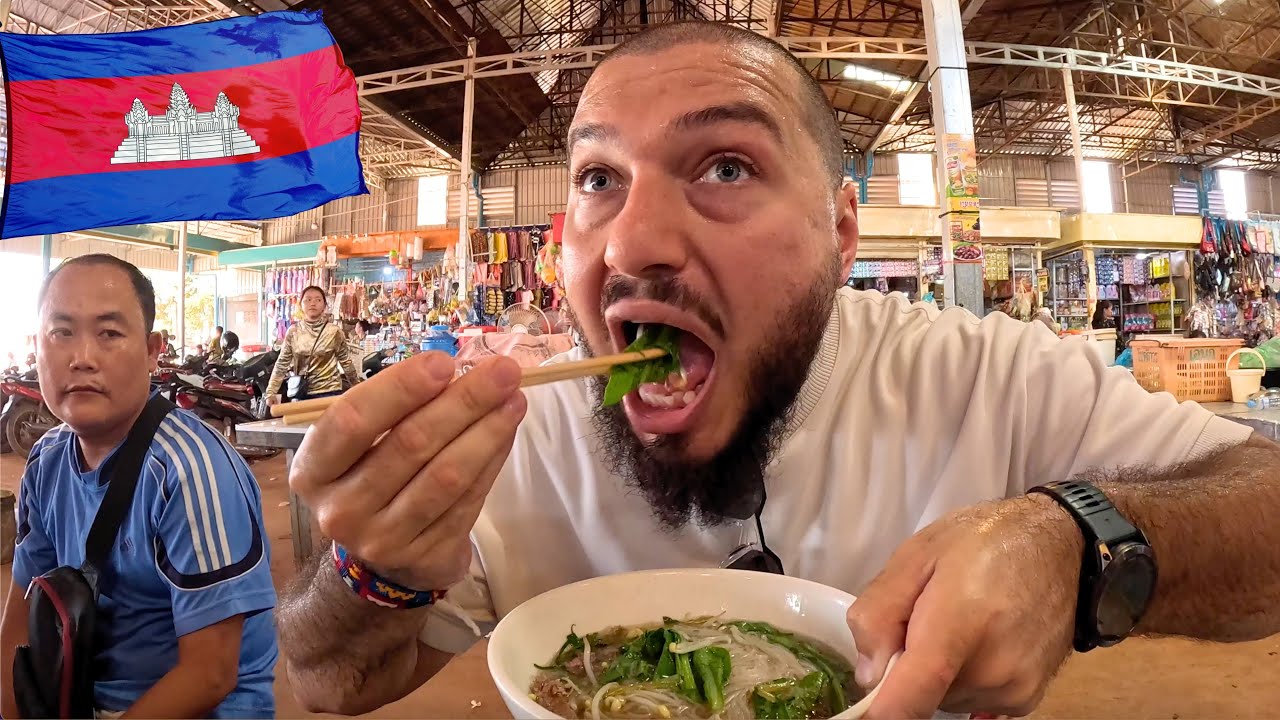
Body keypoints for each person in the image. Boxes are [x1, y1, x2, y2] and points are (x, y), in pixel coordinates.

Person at [276, 23, 1280, 720]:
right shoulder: (510, 438)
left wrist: (1077, 542)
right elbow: (324, 681)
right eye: (598, 178)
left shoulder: (979, 377)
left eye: (725, 167)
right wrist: (368, 571)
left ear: (839, 234)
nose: (634, 241)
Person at [0, 255, 277, 719]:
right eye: (61, 332)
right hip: (81, 695)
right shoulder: (46, 461)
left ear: (152, 350)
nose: (82, 358)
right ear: (37, 346)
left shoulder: (190, 469)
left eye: (109, 333)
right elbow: (19, 621)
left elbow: (210, 674)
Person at [264, 286, 360, 404]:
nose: (313, 303)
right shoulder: (293, 332)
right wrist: (271, 392)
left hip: (330, 392)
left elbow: (346, 362)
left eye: (318, 300)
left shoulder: (334, 331)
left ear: (324, 305)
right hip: (301, 392)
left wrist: (357, 388)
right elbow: (281, 364)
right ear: (301, 304)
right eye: (308, 300)